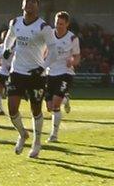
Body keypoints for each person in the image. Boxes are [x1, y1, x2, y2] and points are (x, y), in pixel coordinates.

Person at [4, 0, 55, 158]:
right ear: (22, 5)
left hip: (35, 74)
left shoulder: (44, 28)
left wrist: (43, 67)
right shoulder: (15, 22)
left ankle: (37, 143)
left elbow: (53, 51)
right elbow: (10, 37)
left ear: (38, 6)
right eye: (28, 1)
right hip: (17, 71)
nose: (30, 4)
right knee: (12, 109)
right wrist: (7, 48)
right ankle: (22, 133)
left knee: (36, 110)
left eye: (34, 2)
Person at [43, 11, 81, 142]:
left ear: (67, 24)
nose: (58, 26)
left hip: (65, 73)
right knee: (48, 107)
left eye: (61, 24)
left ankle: (54, 135)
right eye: (57, 23)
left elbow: (77, 57)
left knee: (55, 105)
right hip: (50, 72)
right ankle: (65, 99)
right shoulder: (49, 35)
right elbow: (44, 51)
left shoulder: (72, 39)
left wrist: (72, 61)